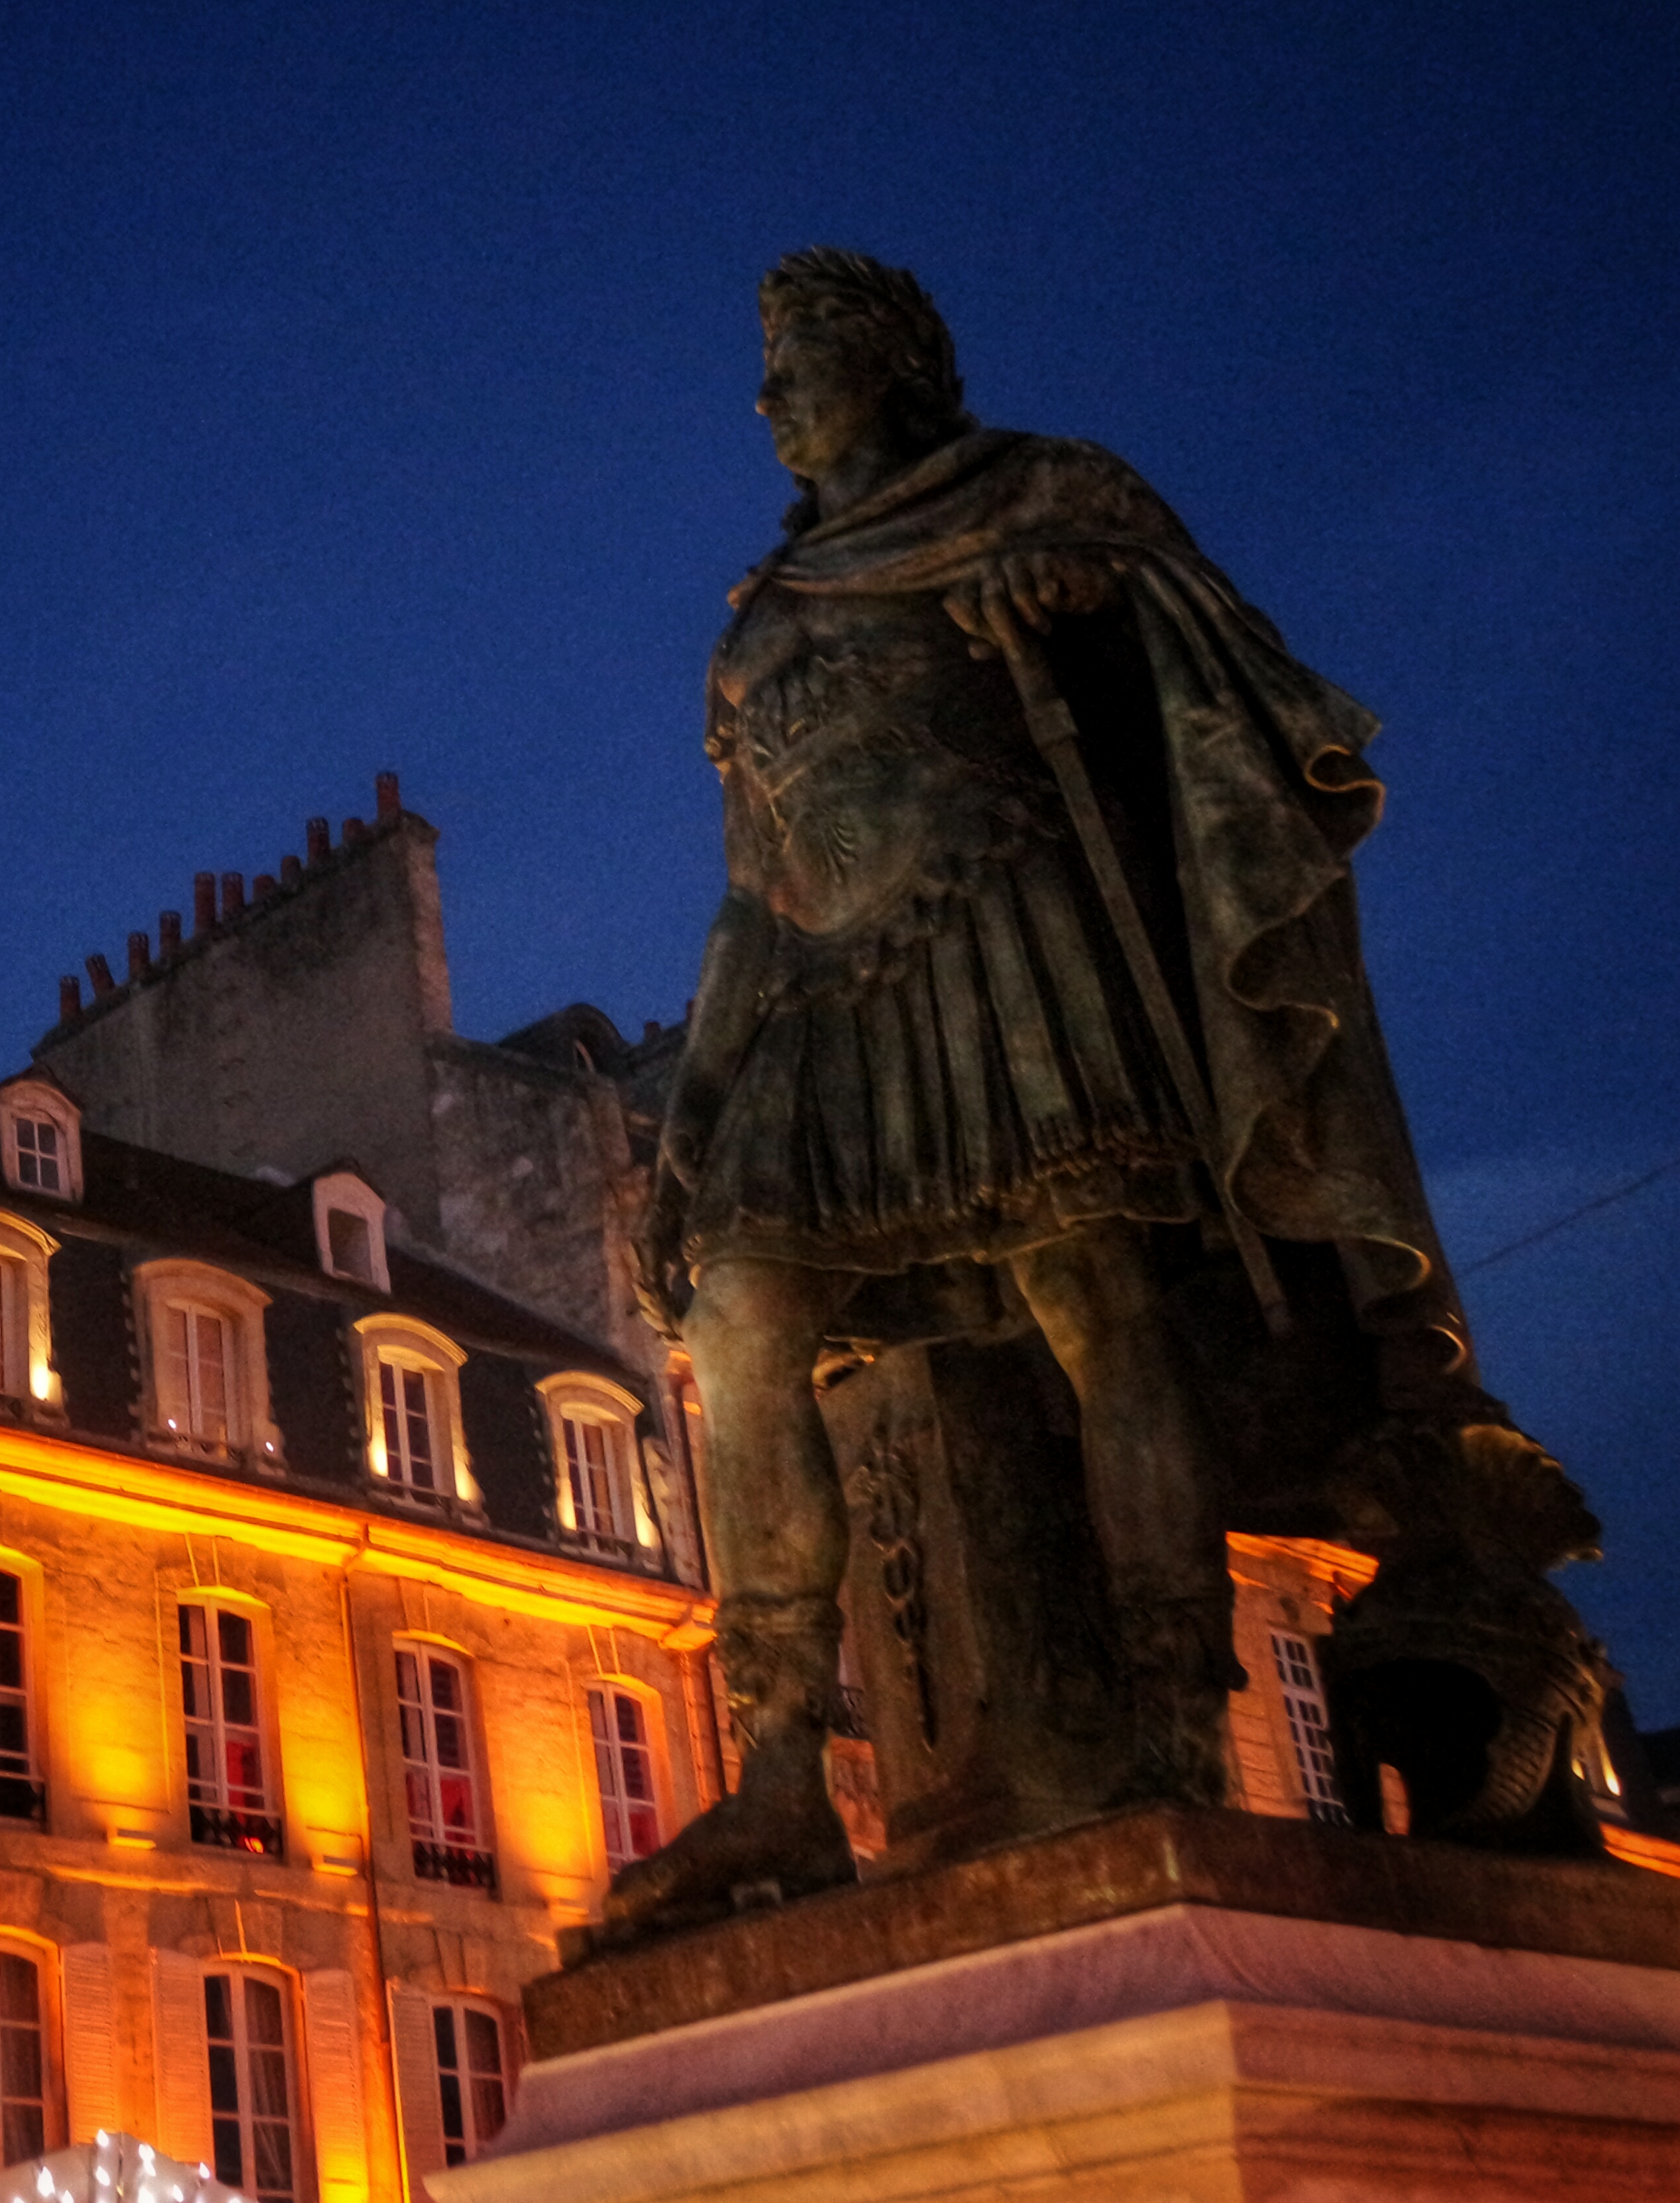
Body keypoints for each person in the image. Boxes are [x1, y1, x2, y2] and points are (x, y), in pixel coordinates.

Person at [617, 248, 1485, 1933]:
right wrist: (691, 1126)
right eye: (769, 365)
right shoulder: (758, 626)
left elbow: (1218, 676)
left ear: (890, 364)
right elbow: (745, 892)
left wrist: (1081, 608)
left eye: (801, 357)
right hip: (818, 999)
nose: (769, 396)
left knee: (1092, 1299)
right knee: (737, 1317)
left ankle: (1174, 1710)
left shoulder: (1039, 497)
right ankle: (780, 1767)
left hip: (998, 934)